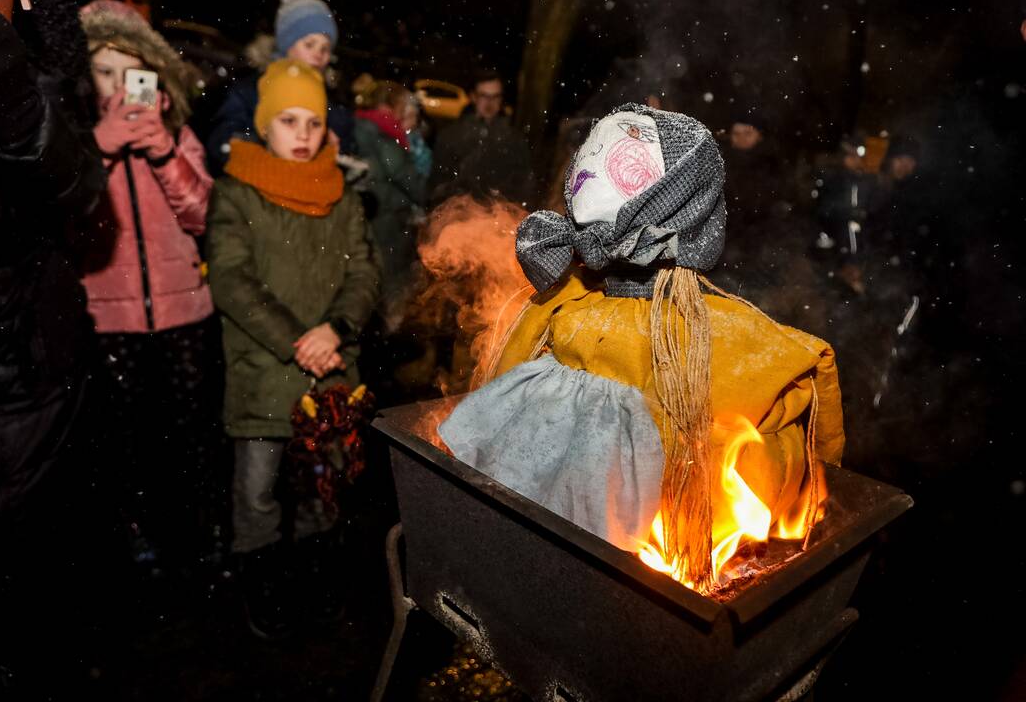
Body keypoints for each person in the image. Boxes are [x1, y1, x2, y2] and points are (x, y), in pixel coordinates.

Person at [440, 105, 844, 592]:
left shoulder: (558, 310)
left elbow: (503, 378)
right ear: (697, 219)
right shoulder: (724, 345)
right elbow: (795, 456)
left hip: (531, 556)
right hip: (637, 564)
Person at [0, 0, 106, 694]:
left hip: (36, 385)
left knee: (43, 618)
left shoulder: (39, 34)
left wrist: (7, 74)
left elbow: (75, 185)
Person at [206, 59, 380, 640]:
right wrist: (295, 341)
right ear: (265, 124)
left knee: (322, 490)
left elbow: (365, 276)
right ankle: (264, 592)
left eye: (312, 121)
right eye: (288, 120)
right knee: (257, 495)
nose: (302, 135)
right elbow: (231, 279)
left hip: (330, 374)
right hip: (264, 373)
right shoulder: (236, 192)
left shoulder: (343, 196)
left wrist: (336, 328)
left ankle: (315, 584)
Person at [77, 0, 219, 577]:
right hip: (109, 321)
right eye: (104, 69)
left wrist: (161, 148)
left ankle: (196, 537)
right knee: (126, 445)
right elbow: (68, 214)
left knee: (189, 437)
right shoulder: (73, 139)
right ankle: (138, 542)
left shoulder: (176, 130)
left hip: (184, 311)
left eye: (130, 70)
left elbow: (203, 214)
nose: (117, 84)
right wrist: (101, 147)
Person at [206, 0, 355, 169]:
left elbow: (346, 145)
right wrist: (264, 148)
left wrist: (333, 152)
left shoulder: (331, 99)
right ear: (287, 45)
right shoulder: (252, 89)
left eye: (325, 48)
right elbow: (223, 141)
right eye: (310, 45)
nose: (319, 54)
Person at [352, 77, 427, 329]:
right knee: (390, 280)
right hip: (387, 218)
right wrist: (423, 197)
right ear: (390, 105)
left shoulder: (362, 125)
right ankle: (388, 337)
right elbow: (401, 173)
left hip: (377, 213)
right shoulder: (381, 129)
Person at [429, 68, 533, 204]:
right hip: (459, 217)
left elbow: (524, 185)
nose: (490, 103)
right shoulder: (450, 136)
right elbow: (437, 184)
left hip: (501, 218)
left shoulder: (513, 139)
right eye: (484, 96)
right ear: (473, 96)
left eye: (495, 97)